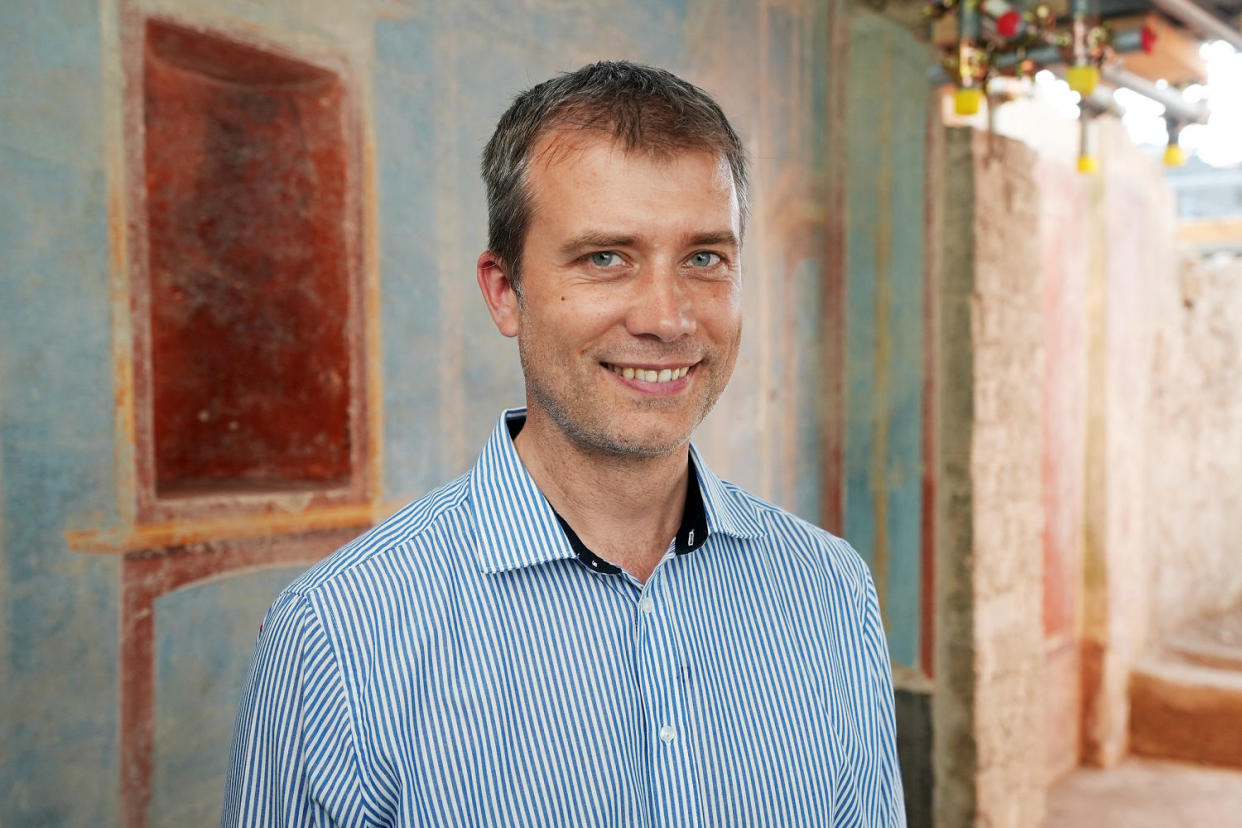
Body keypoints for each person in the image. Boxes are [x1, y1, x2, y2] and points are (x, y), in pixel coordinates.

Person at [223, 60, 905, 827]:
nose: (668, 317)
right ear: (504, 292)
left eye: (704, 258)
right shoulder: (336, 637)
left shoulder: (831, 594)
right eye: (605, 258)